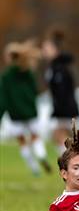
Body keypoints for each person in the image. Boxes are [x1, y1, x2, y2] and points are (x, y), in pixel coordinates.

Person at [0, 41, 51, 176]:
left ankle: (34, 168)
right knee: (35, 136)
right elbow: (35, 90)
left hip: (15, 114)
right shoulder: (28, 72)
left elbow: (3, 98)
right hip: (30, 111)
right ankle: (41, 155)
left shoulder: (6, 76)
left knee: (22, 141)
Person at [42, 28, 79, 155]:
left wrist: (58, 109)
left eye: (47, 48)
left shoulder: (59, 68)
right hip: (63, 108)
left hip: (65, 109)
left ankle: (71, 162)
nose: (44, 51)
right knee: (65, 138)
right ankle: (74, 162)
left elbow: (62, 91)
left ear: (55, 50)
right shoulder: (53, 66)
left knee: (58, 136)